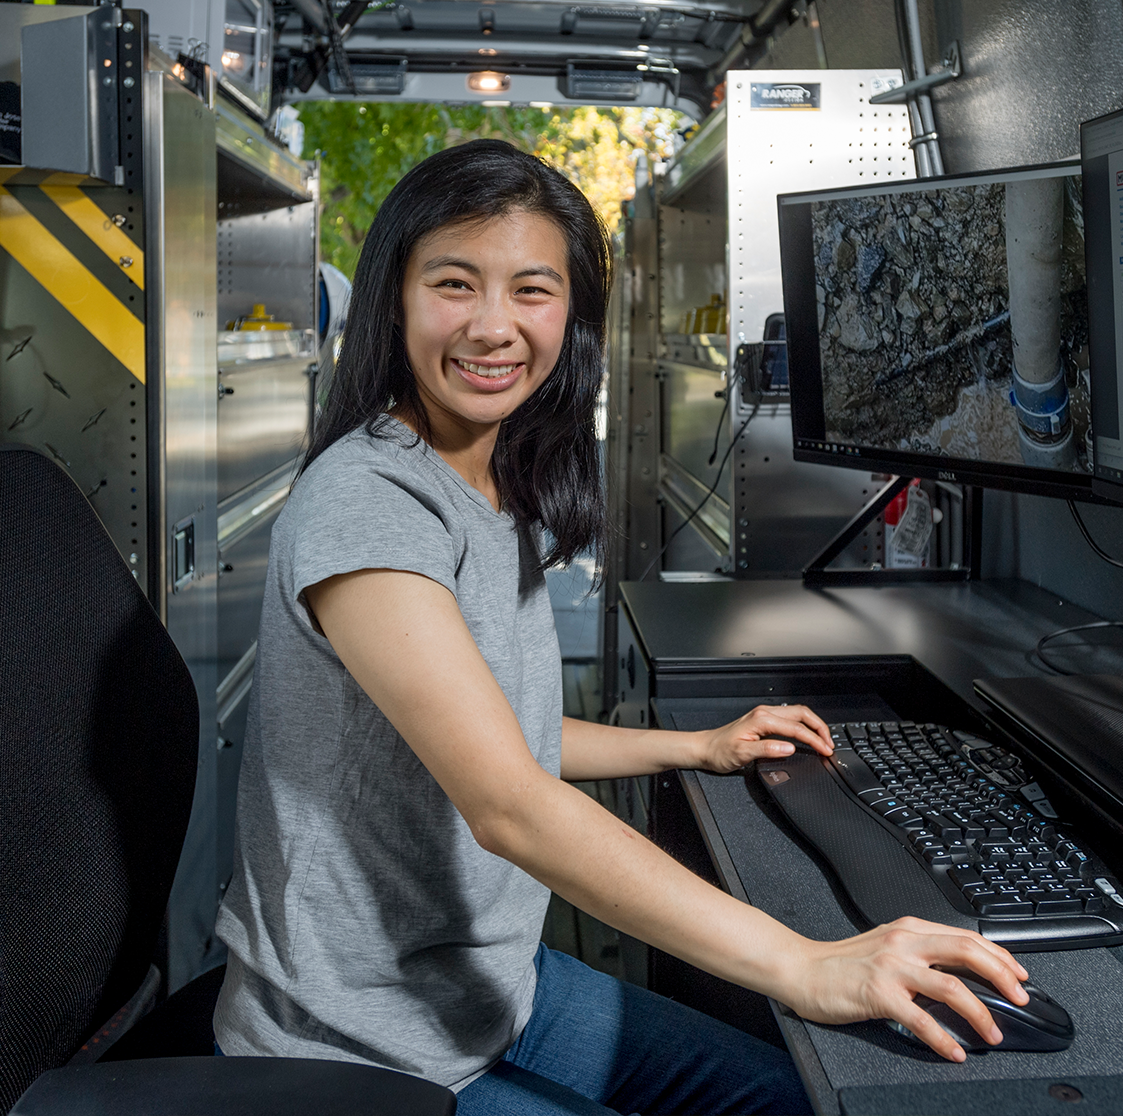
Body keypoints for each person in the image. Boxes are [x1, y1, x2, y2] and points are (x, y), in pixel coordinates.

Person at [213, 139, 1030, 1115]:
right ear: (395, 296)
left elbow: (499, 729)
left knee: (798, 1099)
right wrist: (805, 963)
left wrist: (698, 744)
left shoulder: (489, 473)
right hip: (358, 1048)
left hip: (492, 994)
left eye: (531, 289)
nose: (490, 326)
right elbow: (506, 800)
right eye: (454, 283)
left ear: (574, 314)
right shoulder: (370, 504)